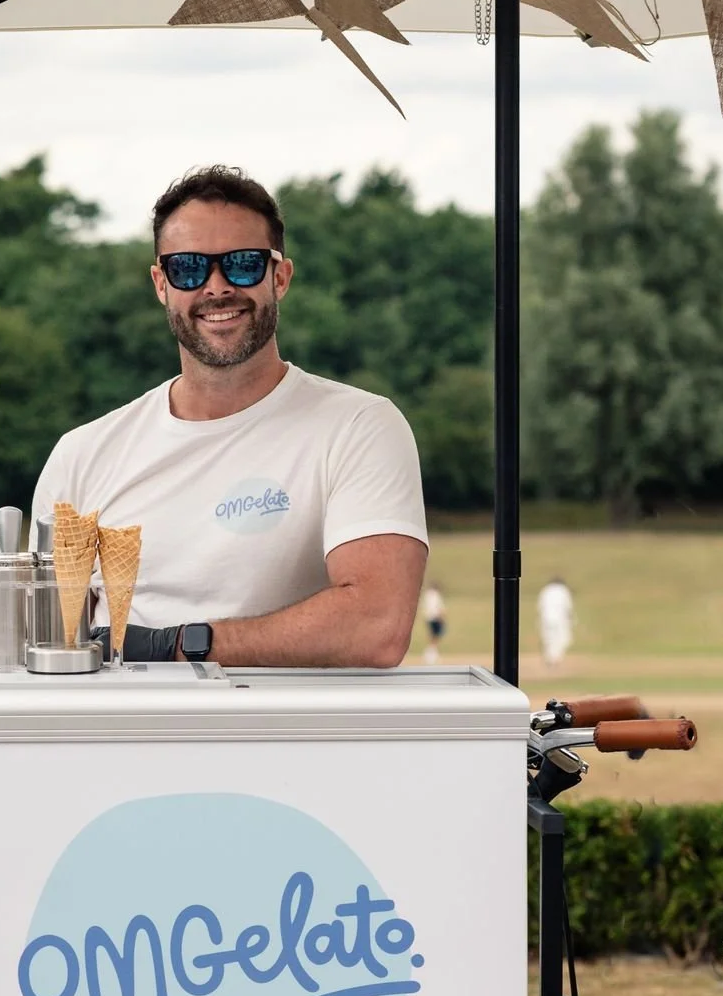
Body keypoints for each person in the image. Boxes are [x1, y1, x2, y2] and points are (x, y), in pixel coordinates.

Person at [30, 166, 427, 668]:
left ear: (279, 277)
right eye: (188, 268)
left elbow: (376, 626)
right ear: (161, 284)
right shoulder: (82, 455)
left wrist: (176, 645)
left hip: (291, 743)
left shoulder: (359, 427)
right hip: (128, 741)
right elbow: (50, 645)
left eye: (241, 264)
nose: (216, 288)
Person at [537, 576, 574, 665]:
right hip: (560, 619)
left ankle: (549, 657)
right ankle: (555, 658)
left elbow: (540, 606)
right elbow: (568, 606)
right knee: (561, 638)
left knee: (549, 638)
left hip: (546, 618)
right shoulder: (563, 590)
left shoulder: (546, 590)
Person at [421, 582, 446, 663]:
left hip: (428, 618)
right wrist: (441, 617)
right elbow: (438, 607)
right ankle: (431, 653)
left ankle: (431, 653)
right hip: (435, 618)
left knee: (432, 635)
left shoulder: (428, 595)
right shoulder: (436, 596)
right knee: (436, 636)